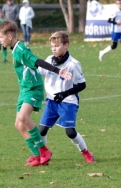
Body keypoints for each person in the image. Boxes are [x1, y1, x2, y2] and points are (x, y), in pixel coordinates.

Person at [0, 20, 72, 167]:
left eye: (0, 37)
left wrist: (58, 71)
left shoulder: (21, 50)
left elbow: (38, 62)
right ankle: (37, 155)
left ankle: (44, 151)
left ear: (9, 37)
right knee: (18, 124)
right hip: (24, 89)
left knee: (23, 117)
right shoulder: (14, 48)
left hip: (33, 89)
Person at [27, 31, 94, 164]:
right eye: (52, 46)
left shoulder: (73, 64)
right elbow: (39, 71)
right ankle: (42, 155)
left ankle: (85, 151)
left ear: (66, 45)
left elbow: (82, 85)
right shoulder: (49, 60)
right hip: (51, 102)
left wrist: (64, 94)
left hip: (68, 102)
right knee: (42, 130)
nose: (54, 49)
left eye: (57, 46)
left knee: (70, 132)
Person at [99, 0, 121, 65]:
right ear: (116, 4)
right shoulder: (115, 11)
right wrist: (116, 23)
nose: (120, 5)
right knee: (114, 46)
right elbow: (109, 20)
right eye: (118, 3)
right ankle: (102, 52)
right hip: (115, 31)